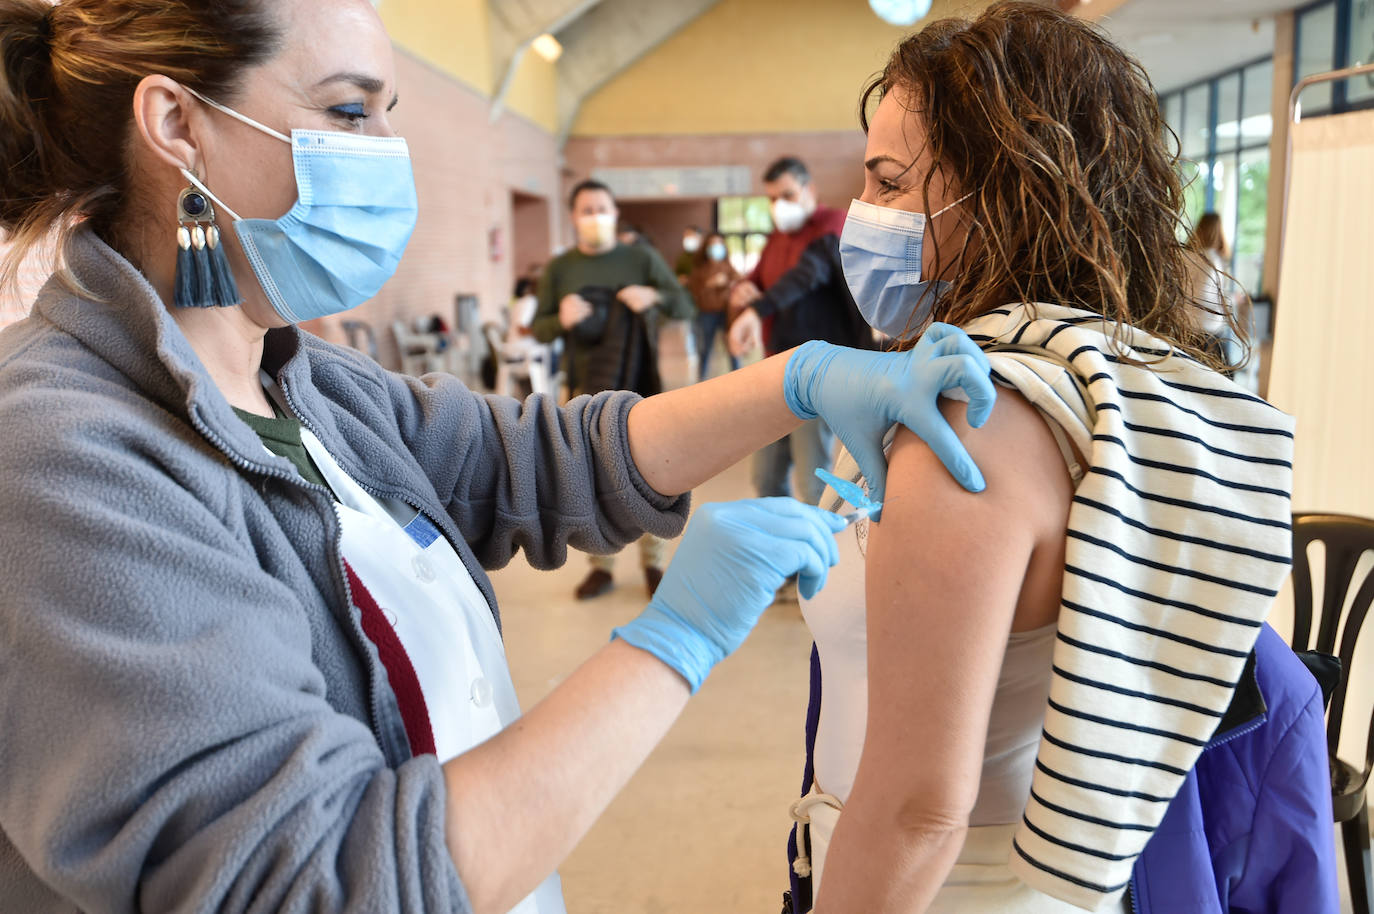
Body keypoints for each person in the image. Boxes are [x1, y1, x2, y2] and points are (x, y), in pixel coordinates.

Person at [0, 3, 998, 913]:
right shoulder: (63, 462)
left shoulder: (302, 380)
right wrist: (675, 640)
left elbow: (541, 459)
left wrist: (796, 381)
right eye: (349, 113)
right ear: (177, 125)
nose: (390, 153)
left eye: (388, 110)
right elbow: (313, 877)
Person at [781, 4, 1330, 914]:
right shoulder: (1108, 375)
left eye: (886, 181)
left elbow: (917, 811)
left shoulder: (971, 414)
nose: (861, 214)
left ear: (1002, 188)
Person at [531, 180, 694, 600]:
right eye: (586, 210)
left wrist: (653, 295)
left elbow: (684, 305)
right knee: (588, 479)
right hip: (582, 388)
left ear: (615, 212)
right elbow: (539, 327)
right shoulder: (561, 268)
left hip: (641, 386)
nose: (595, 216)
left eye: (601, 208)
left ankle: (653, 563)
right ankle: (600, 565)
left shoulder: (640, 258)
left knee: (652, 473)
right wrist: (561, 319)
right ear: (572, 217)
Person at [728, 156, 849, 510]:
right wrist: (744, 294)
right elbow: (756, 282)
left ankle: (814, 561)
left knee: (812, 479)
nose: (778, 206)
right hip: (774, 369)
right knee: (766, 478)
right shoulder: (776, 239)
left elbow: (805, 276)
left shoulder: (832, 226)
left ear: (809, 190)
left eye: (787, 195)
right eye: (771, 198)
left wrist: (758, 309)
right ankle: (784, 553)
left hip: (815, 372)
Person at [1187, 211, 1242, 371]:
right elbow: (1207, 297)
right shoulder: (1212, 259)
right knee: (1225, 376)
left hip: (1186, 329)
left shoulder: (1186, 254)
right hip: (1207, 331)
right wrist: (1232, 300)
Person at [687, 230, 741, 379]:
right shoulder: (699, 270)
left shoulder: (728, 267)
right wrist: (710, 285)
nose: (716, 247)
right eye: (712, 244)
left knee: (732, 347)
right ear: (706, 248)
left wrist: (728, 283)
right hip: (706, 313)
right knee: (704, 348)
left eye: (719, 244)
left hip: (727, 313)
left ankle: (739, 378)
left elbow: (739, 283)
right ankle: (701, 380)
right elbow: (694, 293)